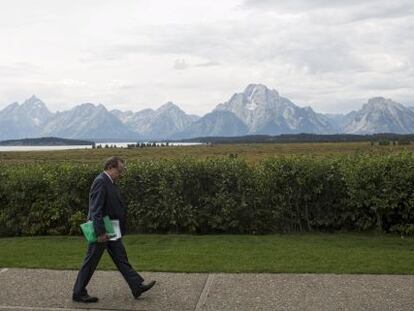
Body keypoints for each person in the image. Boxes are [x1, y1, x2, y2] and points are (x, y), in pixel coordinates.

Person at [72, 156, 155, 303]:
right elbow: (95, 209)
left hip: (109, 225)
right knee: (91, 260)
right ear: (110, 167)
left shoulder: (109, 181)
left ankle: (136, 286)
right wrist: (100, 232)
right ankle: (78, 293)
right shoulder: (100, 181)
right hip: (102, 228)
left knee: (120, 256)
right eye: (119, 170)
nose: (121, 173)